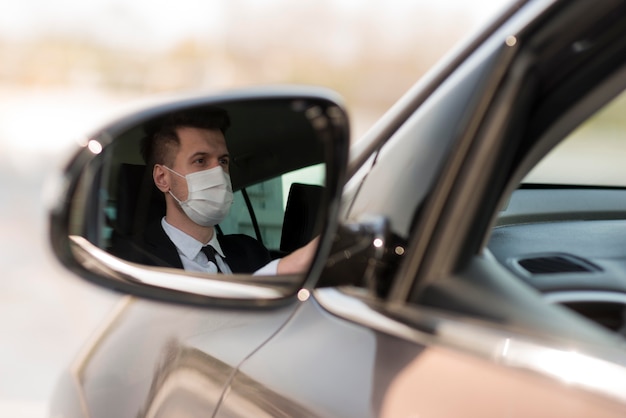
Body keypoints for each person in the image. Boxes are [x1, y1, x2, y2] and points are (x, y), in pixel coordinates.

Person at [137, 106, 316, 275]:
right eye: (200, 161)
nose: (218, 173)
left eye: (223, 161)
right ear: (162, 178)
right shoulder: (131, 261)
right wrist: (282, 270)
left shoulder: (251, 251)